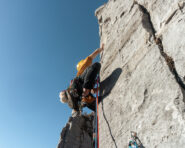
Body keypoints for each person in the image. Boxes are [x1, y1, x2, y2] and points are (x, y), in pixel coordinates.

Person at [59, 44, 104, 115]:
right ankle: (89, 96)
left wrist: (96, 89)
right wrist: (99, 50)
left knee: (95, 67)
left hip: (86, 96)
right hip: (84, 92)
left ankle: (93, 103)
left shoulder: (80, 78)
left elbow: (91, 90)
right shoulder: (83, 68)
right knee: (96, 65)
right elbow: (90, 58)